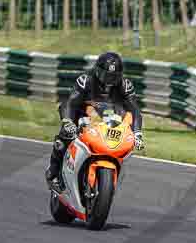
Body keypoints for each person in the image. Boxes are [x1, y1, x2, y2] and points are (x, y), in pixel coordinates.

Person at [45, 51, 144, 193]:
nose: (109, 81)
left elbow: (135, 110)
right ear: (97, 71)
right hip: (83, 115)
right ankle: (53, 173)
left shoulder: (125, 85)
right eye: (106, 76)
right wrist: (68, 122)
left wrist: (137, 133)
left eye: (114, 77)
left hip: (109, 121)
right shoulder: (86, 80)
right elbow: (70, 103)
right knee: (64, 137)